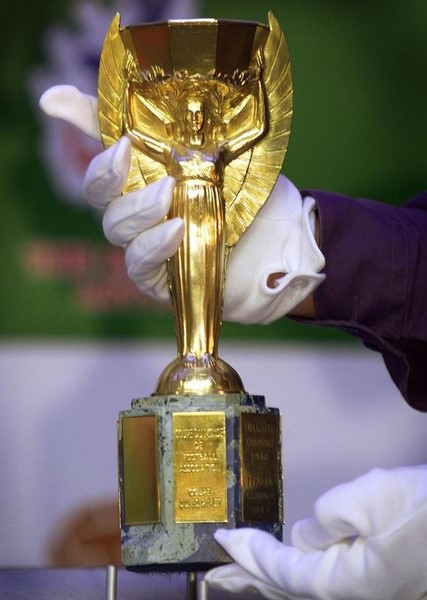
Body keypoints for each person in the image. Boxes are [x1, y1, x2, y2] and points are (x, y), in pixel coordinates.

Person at [39, 84, 427, 600]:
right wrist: (306, 245)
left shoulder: (218, 150)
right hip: (189, 218)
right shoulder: (176, 153)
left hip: (218, 214)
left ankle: (201, 356)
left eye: (202, 115)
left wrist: (299, 244)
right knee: (184, 279)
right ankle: (194, 354)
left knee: (200, 296)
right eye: (189, 115)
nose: (196, 123)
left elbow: (254, 127)